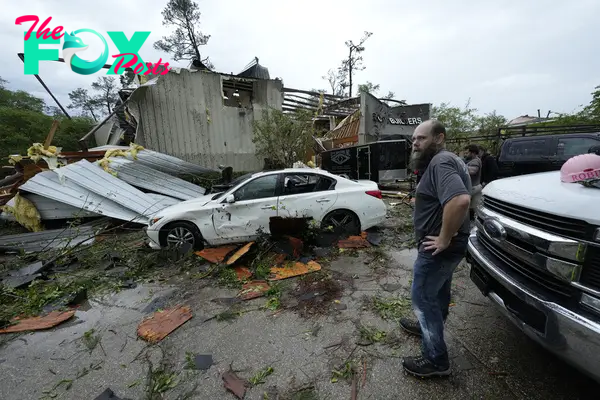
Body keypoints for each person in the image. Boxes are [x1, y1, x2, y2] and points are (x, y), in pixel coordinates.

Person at [400, 120, 471, 378]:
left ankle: (435, 360)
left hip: (440, 248)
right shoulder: (450, 160)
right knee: (438, 294)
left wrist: (443, 238)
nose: (415, 143)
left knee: (422, 298)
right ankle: (427, 326)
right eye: (414, 139)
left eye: (421, 138)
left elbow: (461, 200)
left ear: (439, 138)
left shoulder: (441, 161)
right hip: (450, 246)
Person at [463, 144, 482, 220]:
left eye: (467, 153)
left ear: (473, 153)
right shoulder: (471, 160)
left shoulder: (476, 161)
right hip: (474, 187)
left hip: (474, 187)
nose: (465, 154)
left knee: (474, 208)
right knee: (472, 208)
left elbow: (473, 171)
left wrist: (460, 165)